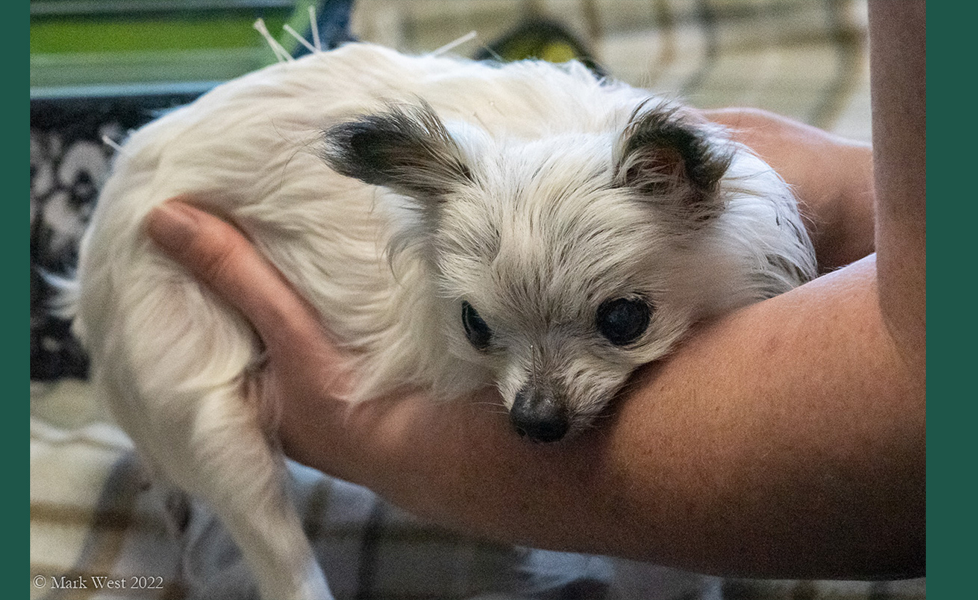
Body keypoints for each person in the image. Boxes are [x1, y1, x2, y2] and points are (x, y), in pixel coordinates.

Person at [143, 0, 924, 581]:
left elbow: (918, 387)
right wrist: (866, 194)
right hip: (162, 273)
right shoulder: (452, 218)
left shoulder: (702, 211)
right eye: (485, 328)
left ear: (696, 200)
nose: (536, 400)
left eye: (619, 320)